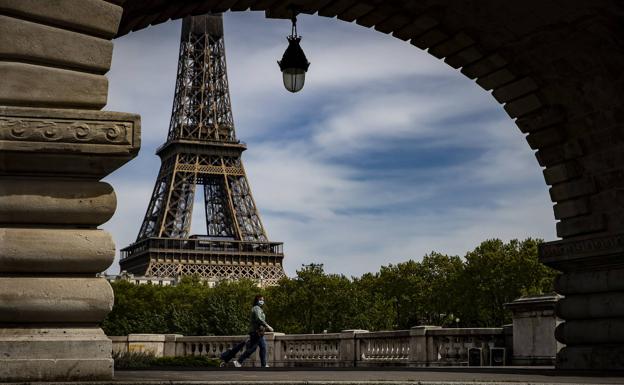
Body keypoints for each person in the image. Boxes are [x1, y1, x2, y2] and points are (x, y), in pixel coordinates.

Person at [233, 295, 273, 368]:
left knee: (262, 347)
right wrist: (267, 326)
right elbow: (258, 319)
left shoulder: (259, 309)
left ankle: (263, 364)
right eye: (261, 300)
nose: (262, 301)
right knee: (254, 348)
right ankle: (239, 361)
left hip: (259, 332)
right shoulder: (256, 308)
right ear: (257, 300)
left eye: (263, 300)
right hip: (256, 332)